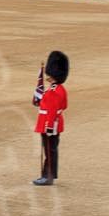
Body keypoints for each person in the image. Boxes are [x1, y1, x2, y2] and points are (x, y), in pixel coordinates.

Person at [31, 49, 69, 187]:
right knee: (51, 150)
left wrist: (49, 125)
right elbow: (63, 106)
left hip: (49, 125)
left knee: (48, 150)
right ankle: (49, 175)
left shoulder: (54, 91)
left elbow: (52, 110)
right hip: (54, 123)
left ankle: (47, 176)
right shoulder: (60, 89)